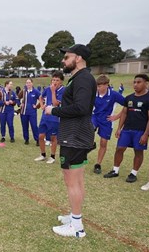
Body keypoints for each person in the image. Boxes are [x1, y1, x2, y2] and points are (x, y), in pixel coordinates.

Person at [44, 44, 96, 238]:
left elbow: (81, 108)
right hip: (76, 135)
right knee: (77, 180)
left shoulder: (83, 78)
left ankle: (77, 227)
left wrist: (53, 110)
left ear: (79, 58)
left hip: (74, 136)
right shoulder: (79, 78)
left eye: (67, 57)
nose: (63, 61)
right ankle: (75, 216)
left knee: (72, 181)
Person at [103, 74, 149, 184]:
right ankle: (115, 170)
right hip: (127, 129)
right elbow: (124, 113)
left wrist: (146, 134)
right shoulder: (129, 98)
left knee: (138, 151)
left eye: (139, 82)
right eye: (134, 82)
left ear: (146, 83)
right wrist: (119, 128)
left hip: (140, 131)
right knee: (119, 149)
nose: (135, 84)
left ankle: (133, 173)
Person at [91, 75, 125, 174]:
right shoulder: (93, 94)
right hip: (95, 117)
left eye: (100, 86)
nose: (98, 88)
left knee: (103, 142)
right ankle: (90, 145)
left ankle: (98, 164)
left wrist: (117, 116)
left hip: (107, 121)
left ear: (106, 85)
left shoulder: (114, 94)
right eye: (97, 86)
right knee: (89, 130)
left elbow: (127, 105)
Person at [34, 72, 64, 164]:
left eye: (57, 80)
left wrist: (53, 91)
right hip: (45, 116)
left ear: (61, 82)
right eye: (53, 80)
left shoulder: (63, 90)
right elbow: (40, 97)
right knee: (40, 136)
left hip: (55, 118)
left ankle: (52, 156)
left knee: (53, 138)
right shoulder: (48, 89)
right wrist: (42, 105)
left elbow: (55, 103)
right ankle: (43, 154)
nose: (54, 82)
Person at [18, 78, 41, 146]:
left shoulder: (35, 91)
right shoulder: (23, 91)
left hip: (32, 113)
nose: (28, 84)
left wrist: (37, 106)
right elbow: (17, 98)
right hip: (23, 112)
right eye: (27, 83)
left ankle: (37, 140)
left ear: (32, 83)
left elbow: (42, 99)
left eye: (29, 82)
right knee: (25, 126)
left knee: (34, 126)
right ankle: (26, 139)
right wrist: (19, 104)